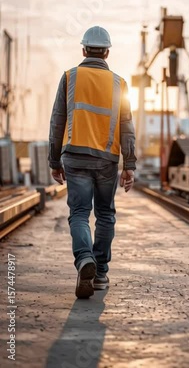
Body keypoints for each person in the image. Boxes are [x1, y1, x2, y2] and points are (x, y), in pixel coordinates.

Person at [48, 26, 137, 299]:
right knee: (106, 214)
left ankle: (85, 257)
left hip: (74, 156)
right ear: (107, 52)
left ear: (83, 49)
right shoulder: (119, 84)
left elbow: (57, 121)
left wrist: (54, 160)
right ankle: (99, 274)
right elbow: (127, 128)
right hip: (107, 160)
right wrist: (129, 165)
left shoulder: (69, 77)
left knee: (79, 214)